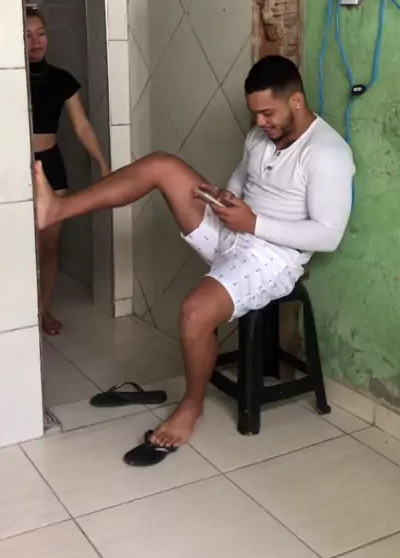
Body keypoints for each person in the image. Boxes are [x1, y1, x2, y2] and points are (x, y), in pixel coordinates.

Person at [33, 54, 355, 445]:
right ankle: (59, 208)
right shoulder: (260, 137)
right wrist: (225, 198)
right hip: (233, 229)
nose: (260, 123)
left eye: (268, 113)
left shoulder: (327, 153)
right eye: (255, 113)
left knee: (194, 312)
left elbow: (328, 235)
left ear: (296, 101)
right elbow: (241, 179)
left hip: (273, 257)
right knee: (161, 165)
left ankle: (192, 406)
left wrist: (254, 224)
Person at [26, 7, 110, 335]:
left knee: (49, 245)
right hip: (13, 166)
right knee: (19, 244)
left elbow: (82, 126)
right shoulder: (7, 78)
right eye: (27, 35)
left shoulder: (61, 79)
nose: (36, 41)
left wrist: (101, 162)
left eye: (41, 33)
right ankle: (17, 315)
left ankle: (42, 310)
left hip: (50, 164)